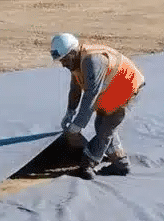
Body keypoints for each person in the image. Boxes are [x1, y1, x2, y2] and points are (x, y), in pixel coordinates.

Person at [50, 32, 145, 179]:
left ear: (73, 52)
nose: (63, 65)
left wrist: (78, 125)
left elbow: (90, 95)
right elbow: (75, 88)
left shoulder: (92, 61)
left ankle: (87, 165)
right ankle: (120, 162)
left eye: (64, 60)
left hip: (127, 88)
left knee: (105, 128)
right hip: (111, 92)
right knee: (101, 124)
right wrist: (70, 112)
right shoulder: (76, 62)